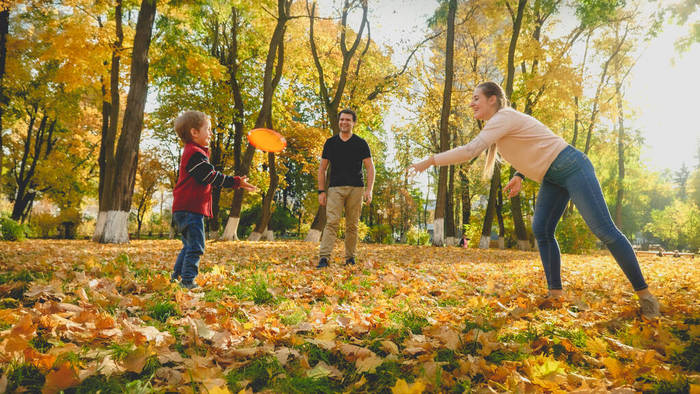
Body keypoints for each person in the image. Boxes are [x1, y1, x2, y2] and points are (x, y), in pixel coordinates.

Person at [408, 82, 660, 318]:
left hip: (572, 167)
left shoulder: (502, 117)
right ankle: (556, 294)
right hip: (553, 176)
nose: (472, 104)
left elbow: (469, 151)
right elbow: (534, 142)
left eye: (476, 98)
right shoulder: (500, 123)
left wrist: (430, 160)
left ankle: (645, 296)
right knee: (542, 229)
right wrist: (519, 175)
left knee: (604, 230)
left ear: (492, 99)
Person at [171, 111, 257, 289]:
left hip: (184, 208)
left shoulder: (193, 152)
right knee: (196, 246)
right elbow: (210, 176)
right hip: (189, 210)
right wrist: (236, 182)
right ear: (194, 132)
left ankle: (176, 278)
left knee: (188, 246)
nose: (211, 133)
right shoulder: (195, 154)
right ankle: (187, 282)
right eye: (208, 129)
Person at [317, 109, 375, 268]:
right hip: (335, 189)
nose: (344, 122)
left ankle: (350, 258)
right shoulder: (330, 143)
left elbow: (370, 168)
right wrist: (321, 191)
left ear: (353, 123)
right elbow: (322, 168)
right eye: (342, 119)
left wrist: (369, 190)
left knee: (352, 225)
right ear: (339, 122)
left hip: (356, 189)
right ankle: (324, 258)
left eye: (348, 120)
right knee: (332, 223)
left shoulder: (361, 143)